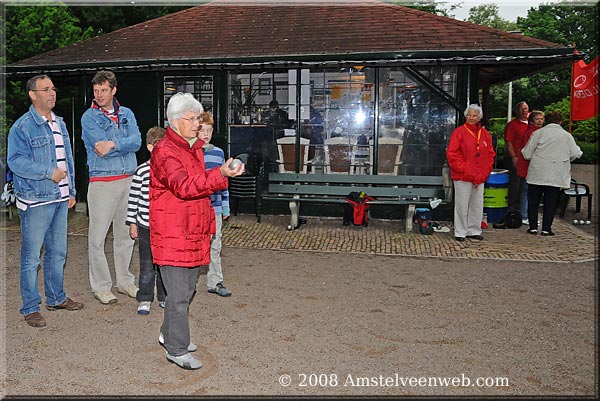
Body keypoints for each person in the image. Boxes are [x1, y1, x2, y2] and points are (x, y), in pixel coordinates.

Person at [150, 93, 243, 370]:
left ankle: (169, 334)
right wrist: (221, 175)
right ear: (175, 121)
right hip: (173, 232)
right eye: (192, 119)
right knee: (178, 296)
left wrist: (222, 175)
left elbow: (198, 187)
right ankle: (176, 349)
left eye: (199, 118)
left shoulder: (194, 148)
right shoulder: (165, 151)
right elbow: (184, 187)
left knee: (187, 291)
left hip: (191, 230)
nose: (197, 123)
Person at [7, 74, 84, 328]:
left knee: (58, 252)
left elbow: (67, 159)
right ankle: (30, 307)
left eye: (53, 89)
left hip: (61, 199)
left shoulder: (59, 123)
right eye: (46, 89)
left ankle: (56, 298)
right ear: (32, 94)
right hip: (36, 200)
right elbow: (15, 162)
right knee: (32, 258)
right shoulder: (22, 127)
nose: (52, 93)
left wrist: (71, 190)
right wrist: (47, 172)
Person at [81, 70, 141, 305]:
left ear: (114, 90)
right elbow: (100, 148)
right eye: (96, 91)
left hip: (129, 179)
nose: (99, 95)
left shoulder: (127, 113)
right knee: (97, 238)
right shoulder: (89, 117)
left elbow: (137, 142)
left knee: (126, 235)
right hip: (102, 182)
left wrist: (114, 143)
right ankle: (101, 286)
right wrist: (121, 144)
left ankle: (125, 282)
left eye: (104, 90)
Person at [126, 127, 167, 315]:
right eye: (159, 145)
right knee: (146, 263)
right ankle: (144, 297)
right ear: (150, 147)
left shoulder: (170, 170)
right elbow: (133, 198)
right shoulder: (142, 171)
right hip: (145, 225)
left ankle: (165, 297)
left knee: (165, 264)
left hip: (165, 226)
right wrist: (133, 222)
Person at [522, 111, 582, 236]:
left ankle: (533, 227)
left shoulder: (538, 133)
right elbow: (576, 153)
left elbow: (526, 154)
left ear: (546, 121)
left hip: (537, 173)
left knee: (533, 201)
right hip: (556, 174)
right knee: (551, 202)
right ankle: (546, 228)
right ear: (560, 122)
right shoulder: (566, 136)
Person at [446, 104, 496, 242]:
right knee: (462, 204)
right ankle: (460, 231)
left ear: (479, 117)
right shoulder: (459, 132)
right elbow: (452, 154)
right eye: (469, 115)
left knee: (477, 204)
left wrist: (486, 170)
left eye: (474, 115)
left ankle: (474, 229)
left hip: (479, 176)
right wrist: (464, 169)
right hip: (462, 175)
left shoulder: (485, 134)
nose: (471, 118)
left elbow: (491, 154)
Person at [197, 112, 232, 297]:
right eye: (202, 130)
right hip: (197, 208)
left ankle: (215, 281)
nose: (206, 134)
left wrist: (225, 205)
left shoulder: (218, 153)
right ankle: (189, 283)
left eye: (209, 130)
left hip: (215, 207)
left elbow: (224, 181)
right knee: (195, 244)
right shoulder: (190, 153)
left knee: (216, 244)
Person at [515, 110, 545, 225]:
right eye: (537, 119)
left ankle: (526, 214)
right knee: (527, 191)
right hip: (528, 166)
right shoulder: (532, 133)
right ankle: (524, 215)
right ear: (532, 120)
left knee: (528, 191)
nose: (539, 121)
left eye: (541, 119)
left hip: (529, 165)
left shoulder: (535, 132)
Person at [504, 101, 529, 212]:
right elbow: (508, 142)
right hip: (516, 158)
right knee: (515, 184)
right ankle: (512, 209)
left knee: (526, 186)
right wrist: (513, 156)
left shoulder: (531, 125)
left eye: (526, 108)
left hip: (528, 159)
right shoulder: (512, 125)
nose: (524, 111)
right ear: (517, 111)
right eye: (522, 109)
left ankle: (522, 209)